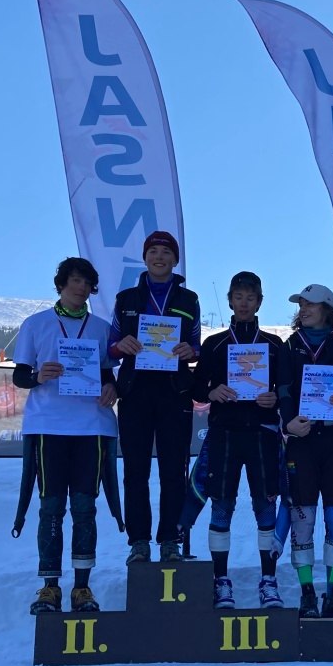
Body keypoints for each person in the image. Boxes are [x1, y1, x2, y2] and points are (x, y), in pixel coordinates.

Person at [13, 257, 119, 614]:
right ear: (61, 284)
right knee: (52, 508)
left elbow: (109, 375)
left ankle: (82, 588)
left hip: (92, 427)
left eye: (87, 283)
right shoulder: (36, 324)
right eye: (75, 281)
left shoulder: (101, 328)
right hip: (49, 426)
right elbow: (20, 376)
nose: (81, 288)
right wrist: (38, 376)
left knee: (85, 508)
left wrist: (112, 389)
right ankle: (50, 587)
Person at [190, 271, 289, 609]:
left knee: (265, 505)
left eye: (250, 297)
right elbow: (195, 387)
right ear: (230, 301)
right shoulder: (215, 344)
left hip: (263, 435)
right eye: (238, 297)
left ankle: (269, 580)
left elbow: (287, 390)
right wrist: (211, 391)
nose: (244, 303)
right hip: (225, 434)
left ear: (259, 302)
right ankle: (221, 581)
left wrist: (275, 399)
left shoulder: (274, 345)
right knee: (222, 505)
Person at [109, 231, 201, 564]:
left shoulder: (189, 299)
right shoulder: (126, 298)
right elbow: (111, 345)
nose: (159, 257)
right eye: (153, 251)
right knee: (135, 470)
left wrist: (190, 351)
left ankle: (170, 540)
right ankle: (139, 541)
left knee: (173, 469)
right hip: (135, 390)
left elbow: (196, 345)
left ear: (175, 259)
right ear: (145, 257)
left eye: (165, 252)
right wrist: (121, 346)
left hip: (174, 391)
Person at [277, 284, 333, 618]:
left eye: (310, 304)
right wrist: (288, 423)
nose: (303, 309)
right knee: (303, 518)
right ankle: (307, 595)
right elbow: (283, 390)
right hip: (302, 442)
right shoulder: (289, 347)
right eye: (300, 304)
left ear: (327, 309)